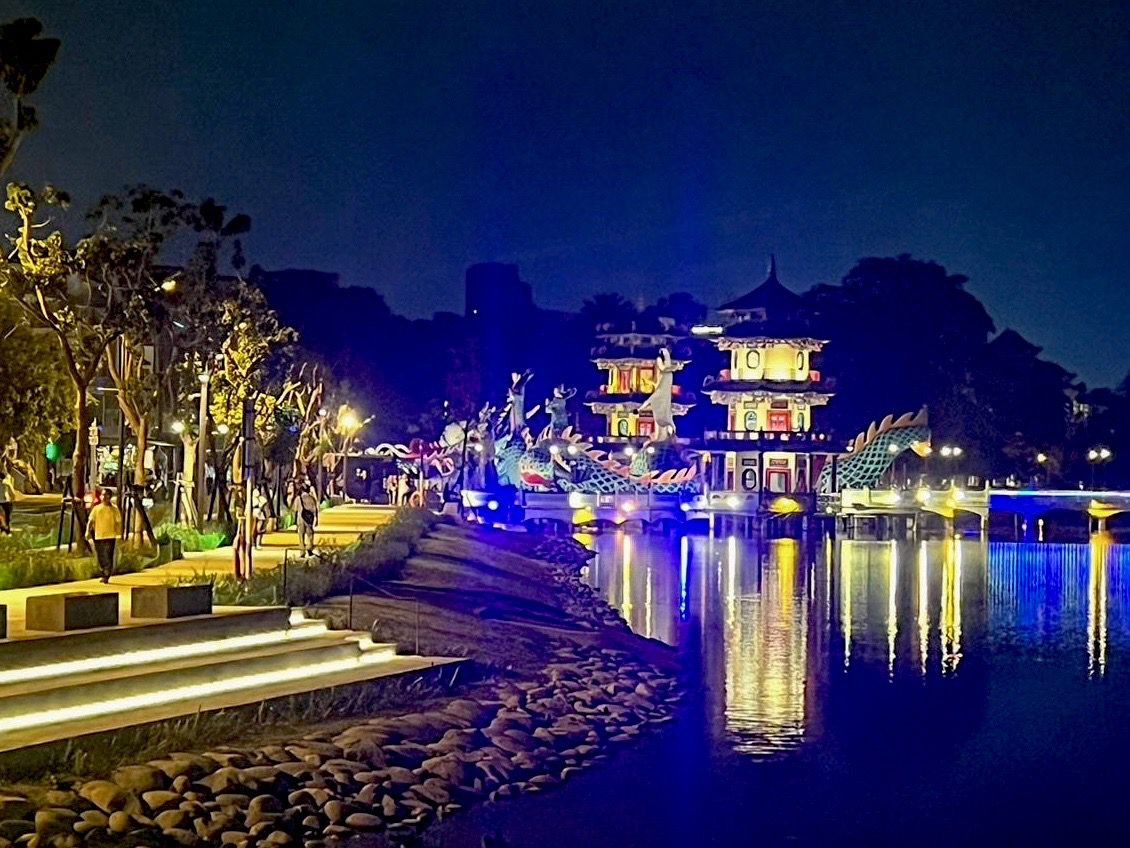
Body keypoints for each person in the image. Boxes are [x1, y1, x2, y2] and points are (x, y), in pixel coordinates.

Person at [86, 487, 123, 583]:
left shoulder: (114, 509)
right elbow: (91, 521)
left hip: (110, 536)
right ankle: (103, 572)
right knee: (101, 556)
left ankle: (107, 573)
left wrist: (119, 534)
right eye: (102, 495)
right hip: (99, 535)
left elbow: (118, 522)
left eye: (106, 495)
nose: (104, 497)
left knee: (108, 555)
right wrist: (87, 531)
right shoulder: (96, 509)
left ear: (110, 497)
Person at [289, 480, 319, 557]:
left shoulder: (298, 498)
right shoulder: (311, 498)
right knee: (310, 534)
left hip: (300, 518)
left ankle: (302, 551)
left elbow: (294, 510)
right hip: (309, 519)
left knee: (301, 536)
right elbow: (315, 510)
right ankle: (309, 548)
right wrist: (316, 519)